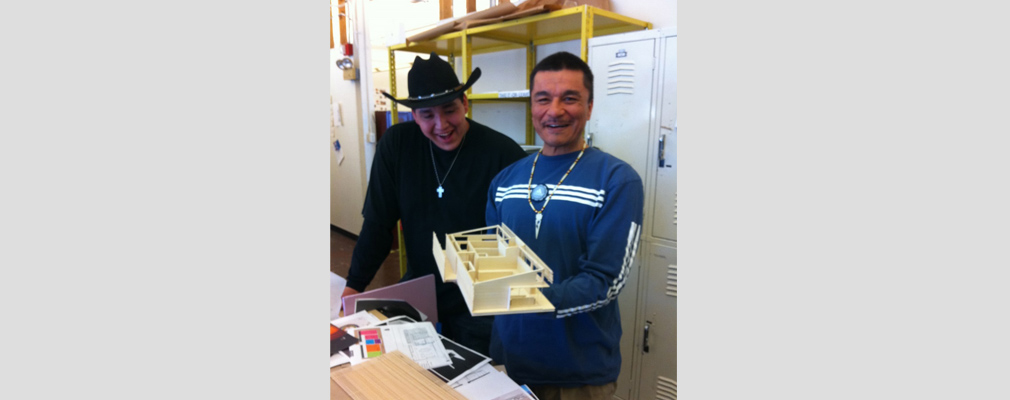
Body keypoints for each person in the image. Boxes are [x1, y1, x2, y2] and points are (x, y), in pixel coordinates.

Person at [341, 52, 527, 357]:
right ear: (413, 116)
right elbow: (378, 224)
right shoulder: (398, 146)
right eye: (427, 115)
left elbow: (521, 243)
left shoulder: (503, 154)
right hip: (420, 290)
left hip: (479, 302)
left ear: (465, 103)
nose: (441, 125)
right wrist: (353, 287)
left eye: (449, 110)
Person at [485, 51, 644, 400]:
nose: (554, 111)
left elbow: (605, 282)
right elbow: (495, 264)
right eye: (543, 99)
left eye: (569, 99)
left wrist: (527, 299)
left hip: (577, 375)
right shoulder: (504, 181)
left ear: (589, 107)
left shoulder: (616, 180)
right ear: (532, 106)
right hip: (509, 361)